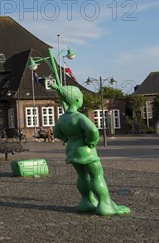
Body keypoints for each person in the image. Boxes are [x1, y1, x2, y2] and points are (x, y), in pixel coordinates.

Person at [51, 85, 130, 216]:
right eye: (81, 97)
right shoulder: (79, 117)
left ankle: (86, 201)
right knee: (96, 175)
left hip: (71, 150)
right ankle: (105, 205)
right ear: (77, 100)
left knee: (82, 176)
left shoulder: (62, 119)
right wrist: (91, 142)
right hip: (85, 150)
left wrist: (67, 138)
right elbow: (92, 131)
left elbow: (56, 133)